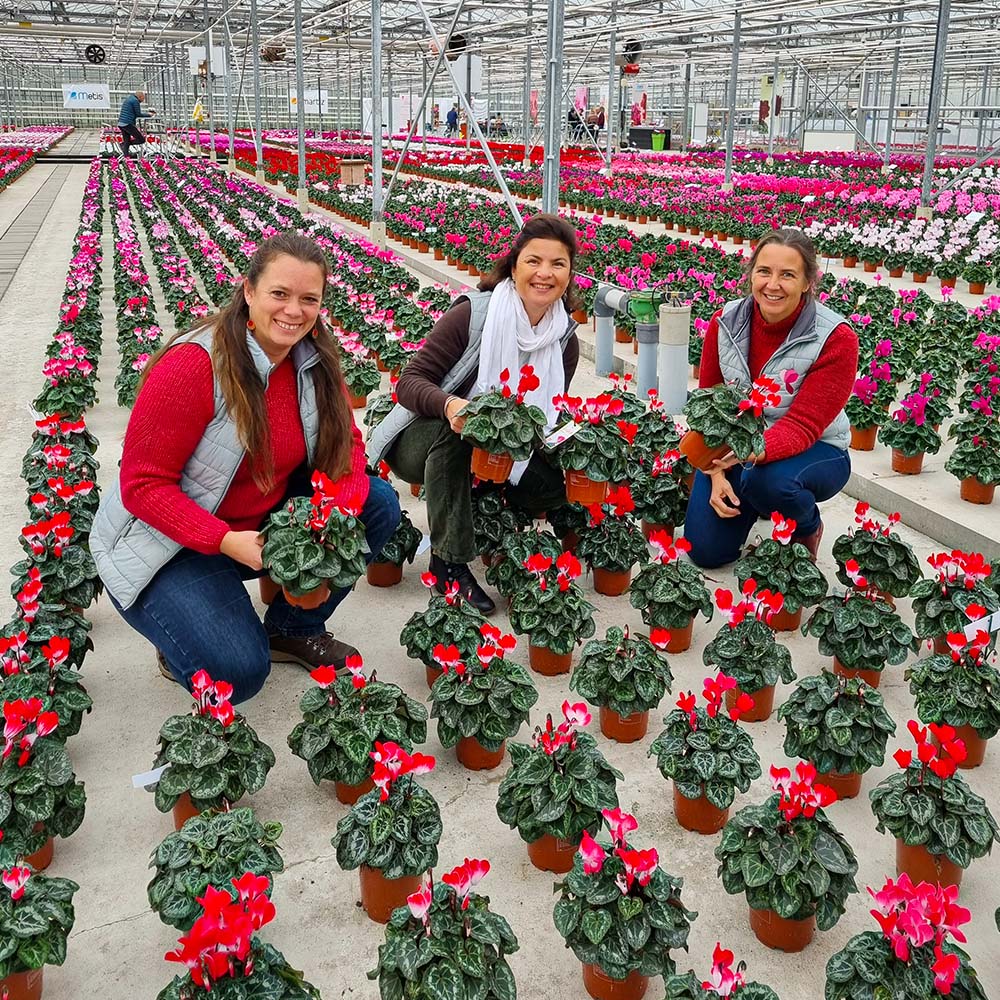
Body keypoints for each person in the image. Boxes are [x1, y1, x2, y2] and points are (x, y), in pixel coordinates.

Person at [90, 233, 400, 702]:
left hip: (256, 525)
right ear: (249, 291)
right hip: (169, 543)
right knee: (239, 673)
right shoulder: (196, 364)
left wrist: (334, 517)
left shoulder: (313, 360)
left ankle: (292, 628)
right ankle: (179, 633)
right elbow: (142, 486)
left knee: (375, 506)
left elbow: (349, 447)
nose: (293, 311)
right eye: (280, 294)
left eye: (308, 299)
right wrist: (225, 541)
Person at [368, 214, 581, 615]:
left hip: (497, 452)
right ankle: (448, 562)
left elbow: (549, 413)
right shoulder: (476, 315)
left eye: (558, 264)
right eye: (534, 261)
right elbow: (410, 382)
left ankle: (492, 523)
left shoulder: (563, 338)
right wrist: (450, 405)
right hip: (424, 440)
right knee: (464, 431)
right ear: (514, 264)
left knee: (555, 484)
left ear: (570, 274)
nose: (545, 273)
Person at [684, 228, 858, 569]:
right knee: (706, 552)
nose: (773, 284)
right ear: (751, 275)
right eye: (764, 271)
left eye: (788, 275)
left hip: (817, 449)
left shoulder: (836, 338)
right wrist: (716, 473)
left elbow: (802, 426)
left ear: (808, 282)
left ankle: (807, 525)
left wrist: (742, 457)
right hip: (740, 452)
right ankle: (753, 498)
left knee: (771, 483)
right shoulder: (725, 321)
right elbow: (710, 408)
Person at [117, 89, 155, 158]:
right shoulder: (135, 101)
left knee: (127, 140)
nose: (143, 100)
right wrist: (149, 115)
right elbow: (138, 114)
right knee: (141, 139)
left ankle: (126, 157)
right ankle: (123, 144)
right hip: (127, 123)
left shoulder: (129, 99)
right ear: (140, 97)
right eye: (143, 98)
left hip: (121, 123)